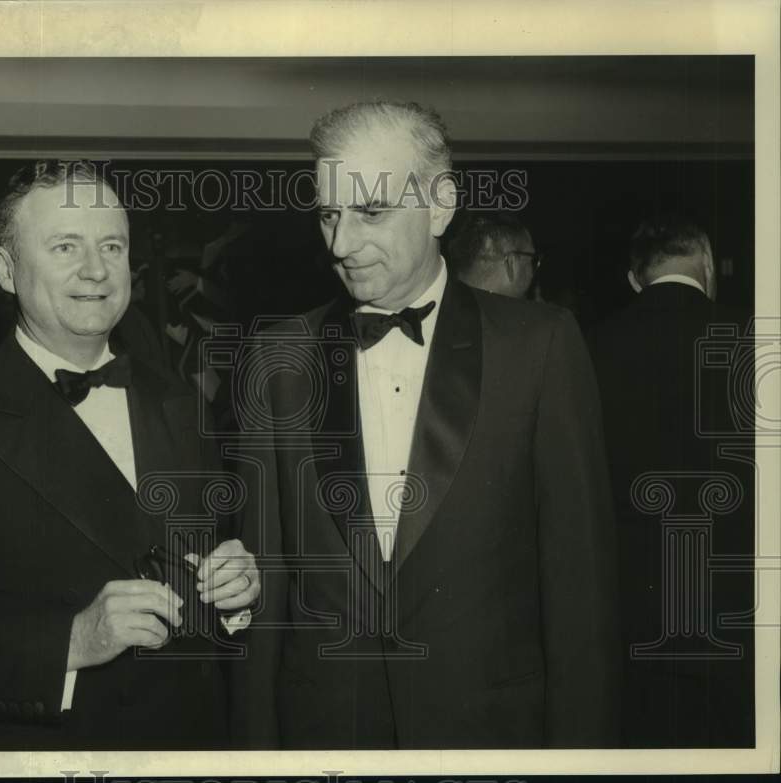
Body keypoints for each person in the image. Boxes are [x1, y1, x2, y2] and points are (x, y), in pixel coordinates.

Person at [232, 101, 619, 749]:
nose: (340, 244)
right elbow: (265, 593)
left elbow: (583, 600)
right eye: (329, 214)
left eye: (370, 212)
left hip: (491, 736)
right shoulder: (279, 357)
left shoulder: (541, 346)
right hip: (327, 738)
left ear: (440, 207)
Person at [0, 160, 260, 750]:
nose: (96, 269)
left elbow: (211, 572)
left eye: (111, 245)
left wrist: (237, 595)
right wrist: (71, 642)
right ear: (6, 270)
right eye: (65, 246)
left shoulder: (183, 405)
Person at [589, 216, 755, 747]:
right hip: (738, 587)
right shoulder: (755, 338)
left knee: (646, 737)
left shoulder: (588, 344)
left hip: (631, 592)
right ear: (707, 263)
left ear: (635, 279)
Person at [447, 209, 541, 298]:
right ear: (511, 262)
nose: (532, 274)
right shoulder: (528, 314)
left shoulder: (442, 305)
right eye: (532, 260)